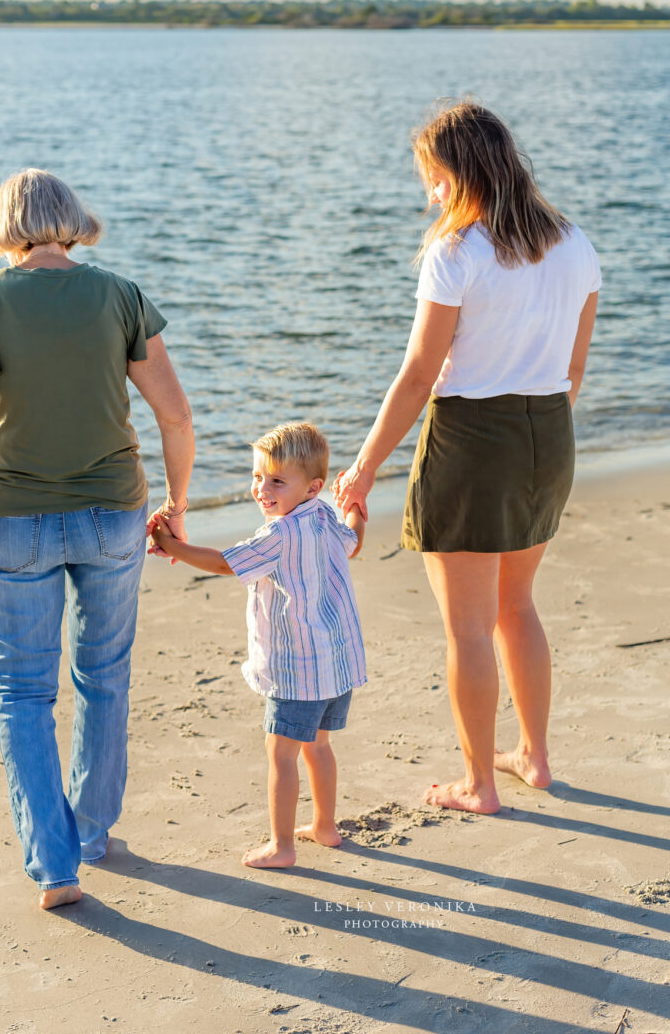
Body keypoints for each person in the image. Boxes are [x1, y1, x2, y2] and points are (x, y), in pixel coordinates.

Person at [0, 168, 194, 909]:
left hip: (12, 520)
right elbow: (176, 416)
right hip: (112, 512)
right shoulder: (118, 295)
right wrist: (175, 504)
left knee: (21, 690)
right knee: (104, 675)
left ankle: (55, 865)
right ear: (71, 220)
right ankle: (92, 831)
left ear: (3, 225)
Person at [333, 100, 600, 815]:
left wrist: (360, 471)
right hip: (548, 435)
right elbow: (574, 371)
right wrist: (533, 432)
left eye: (435, 178)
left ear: (464, 172)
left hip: (472, 441)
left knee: (468, 628)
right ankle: (533, 759)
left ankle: (480, 784)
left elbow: (419, 375)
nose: (431, 194)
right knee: (517, 605)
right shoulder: (575, 243)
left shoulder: (456, 252)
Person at [149, 422, 366, 868]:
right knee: (318, 745)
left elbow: (226, 564)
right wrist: (356, 507)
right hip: (335, 664)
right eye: (257, 477)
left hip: (297, 667)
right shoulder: (324, 515)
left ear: (312, 487)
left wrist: (171, 543)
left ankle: (281, 847)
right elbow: (355, 542)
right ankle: (325, 826)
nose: (261, 489)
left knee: (280, 752)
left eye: (276, 481)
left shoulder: (279, 535)